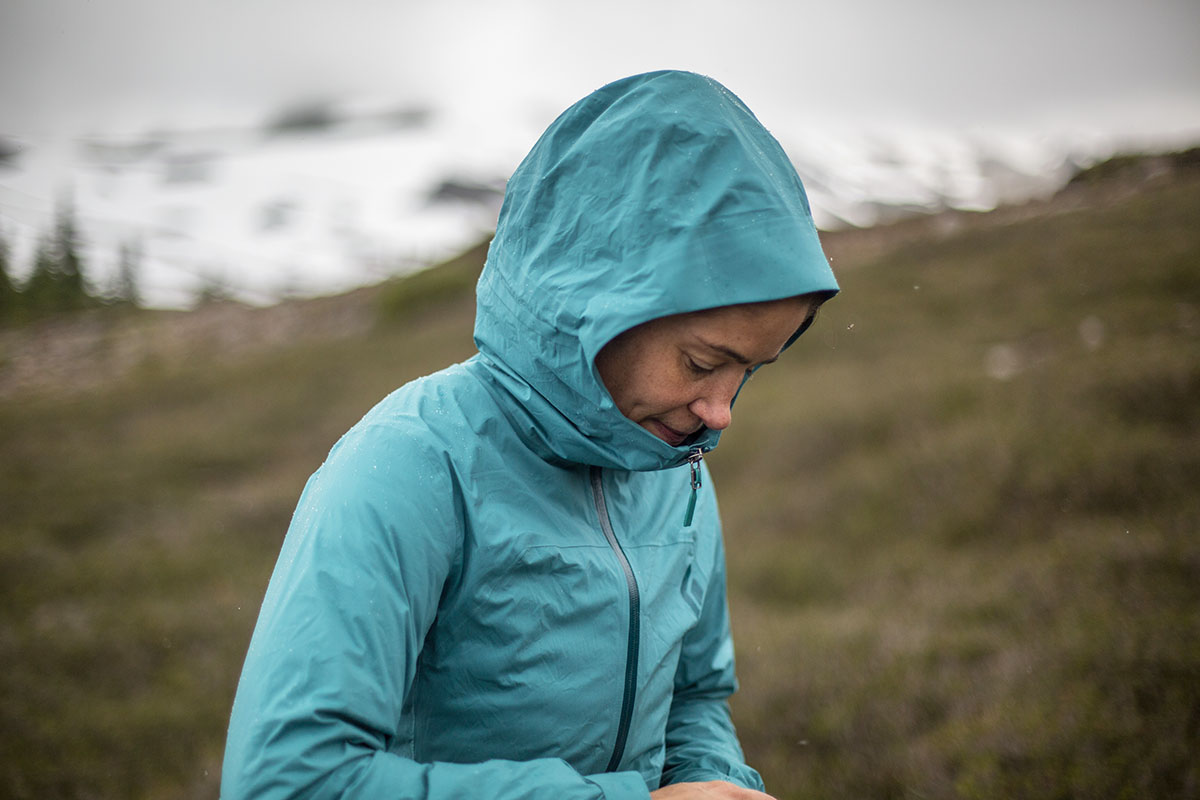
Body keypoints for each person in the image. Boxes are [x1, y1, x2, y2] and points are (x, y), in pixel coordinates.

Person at [221, 70, 838, 800]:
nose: (721, 411)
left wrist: (714, 781)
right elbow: (291, 782)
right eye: (704, 362)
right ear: (597, 303)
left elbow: (694, 699)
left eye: (749, 370)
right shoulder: (408, 465)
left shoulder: (678, 474)